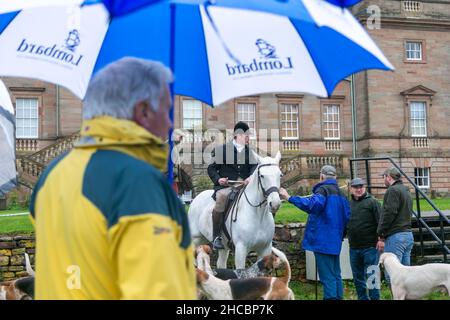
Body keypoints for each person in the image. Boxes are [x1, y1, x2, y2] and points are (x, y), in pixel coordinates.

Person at [30, 57, 196, 299]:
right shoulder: (136, 180)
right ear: (143, 111)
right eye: (167, 109)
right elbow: (157, 292)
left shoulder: (51, 175)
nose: (170, 123)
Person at [279, 165, 350, 300]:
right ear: (335, 177)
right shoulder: (342, 194)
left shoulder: (323, 190)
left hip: (323, 241)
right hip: (335, 240)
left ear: (321, 176)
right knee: (336, 275)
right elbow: (347, 217)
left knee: (328, 277)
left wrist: (289, 198)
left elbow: (312, 205)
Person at [207, 121, 257, 250]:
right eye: (247, 135)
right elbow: (211, 169)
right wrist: (219, 180)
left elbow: (254, 167)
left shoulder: (249, 151)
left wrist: (250, 177)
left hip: (244, 186)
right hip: (226, 186)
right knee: (221, 199)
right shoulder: (221, 150)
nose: (248, 138)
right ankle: (216, 236)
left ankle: (265, 234)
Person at [347, 178, 381, 300]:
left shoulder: (373, 202)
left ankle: (375, 298)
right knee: (357, 278)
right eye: (356, 187)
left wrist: (381, 239)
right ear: (351, 189)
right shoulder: (348, 204)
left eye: (361, 186)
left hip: (371, 247)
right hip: (354, 248)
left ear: (364, 187)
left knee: (372, 276)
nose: (359, 189)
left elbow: (381, 222)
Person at [376, 167, 414, 268]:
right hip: (408, 235)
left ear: (388, 177)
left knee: (392, 274)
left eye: (383, 177)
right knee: (406, 275)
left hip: (396, 236)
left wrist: (381, 233)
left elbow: (389, 213)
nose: (383, 180)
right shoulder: (406, 190)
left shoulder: (392, 190)